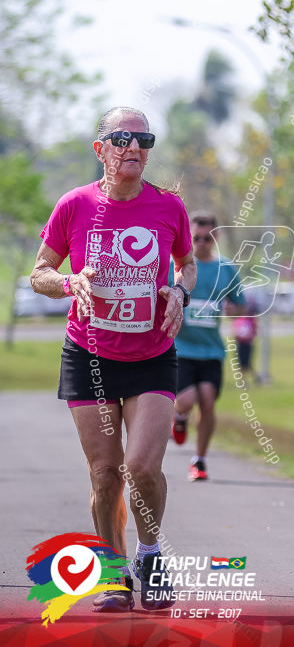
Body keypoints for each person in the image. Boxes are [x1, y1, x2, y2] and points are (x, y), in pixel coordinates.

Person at [30, 107, 194, 612]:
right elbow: (39, 272)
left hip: (151, 355)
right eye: (121, 137)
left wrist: (179, 293)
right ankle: (113, 576)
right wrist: (67, 281)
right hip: (90, 356)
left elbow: (186, 264)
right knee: (105, 473)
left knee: (141, 467)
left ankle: (150, 556)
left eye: (143, 138)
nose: (134, 147)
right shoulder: (75, 205)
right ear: (100, 148)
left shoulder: (168, 207)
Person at [170, 212, 245, 482]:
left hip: (211, 349)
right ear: (189, 237)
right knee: (187, 399)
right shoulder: (174, 266)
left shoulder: (225, 268)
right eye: (197, 238)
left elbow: (240, 304)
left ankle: (199, 460)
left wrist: (232, 308)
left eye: (208, 238)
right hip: (181, 346)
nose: (202, 243)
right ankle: (178, 418)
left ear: (216, 237)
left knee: (209, 402)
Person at [232, 303, 258, 386]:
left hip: (248, 344)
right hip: (240, 343)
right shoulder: (239, 319)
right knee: (241, 364)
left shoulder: (251, 318)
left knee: (247, 363)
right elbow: (236, 331)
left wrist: (250, 337)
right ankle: (245, 380)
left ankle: (253, 378)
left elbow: (254, 330)